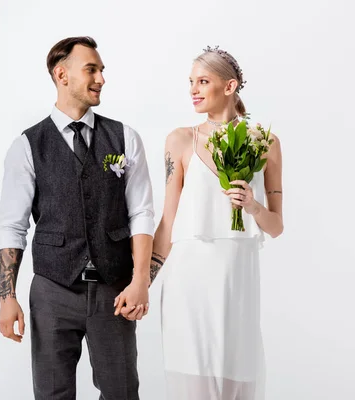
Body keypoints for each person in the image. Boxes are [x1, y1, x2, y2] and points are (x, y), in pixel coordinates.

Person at [0, 36, 155, 400]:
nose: (101, 78)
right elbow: (13, 226)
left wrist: (141, 280)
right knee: (52, 393)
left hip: (114, 289)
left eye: (101, 70)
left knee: (122, 393)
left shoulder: (124, 138)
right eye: (92, 69)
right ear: (61, 74)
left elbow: (142, 213)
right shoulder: (27, 145)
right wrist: (7, 296)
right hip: (53, 289)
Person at [149, 45, 284, 399]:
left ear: (230, 86)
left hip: (237, 285)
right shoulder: (179, 141)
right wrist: (142, 283)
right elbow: (167, 223)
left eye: (203, 81)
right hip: (187, 283)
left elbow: (276, 226)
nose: (193, 89)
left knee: (237, 380)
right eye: (191, 81)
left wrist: (252, 206)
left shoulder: (266, 144)